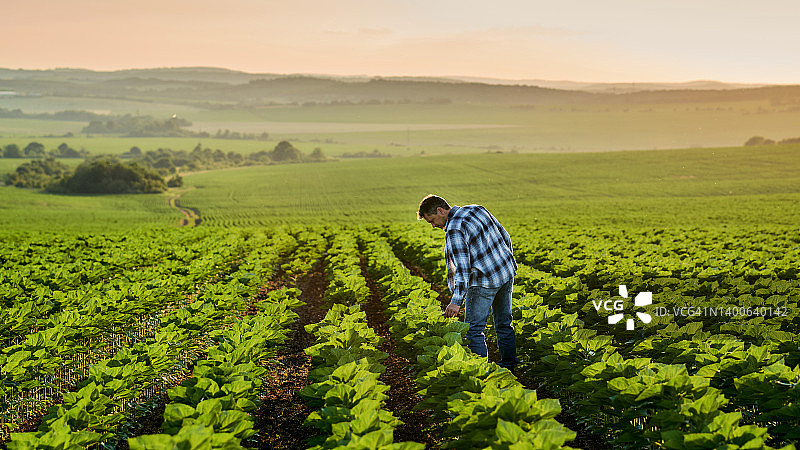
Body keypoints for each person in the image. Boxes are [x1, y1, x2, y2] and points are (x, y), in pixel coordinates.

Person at [417, 194, 518, 370]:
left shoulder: (454, 229)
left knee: (473, 331)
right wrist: (507, 260)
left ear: (440, 210)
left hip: (483, 283)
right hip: (505, 273)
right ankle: (510, 366)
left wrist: (456, 302)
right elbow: (504, 235)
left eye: (432, 220)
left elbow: (462, 269)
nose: (433, 226)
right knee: (504, 323)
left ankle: (482, 374)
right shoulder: (476, 209)